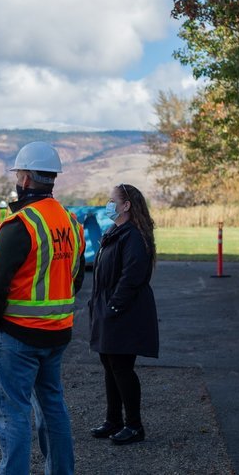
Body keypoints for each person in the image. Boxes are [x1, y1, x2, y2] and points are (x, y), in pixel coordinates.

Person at [0, 141, 86, 475]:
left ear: (24, 178)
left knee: (12, 416)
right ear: (52, 178)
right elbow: (76, 277)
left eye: (18, 174)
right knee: (53, 408)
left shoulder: (20, 224)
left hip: (15, 336)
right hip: (57, 333)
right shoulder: (70, 221)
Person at [88, 183, 158, 445]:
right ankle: (113, 420)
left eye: (112, 200)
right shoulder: (115, 232)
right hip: (108, 309)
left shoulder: (133, 236)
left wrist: (113, 307)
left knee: (122, 367)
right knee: (110, 365)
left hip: (124, 312)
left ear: (126, 205)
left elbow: (131, 277)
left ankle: (134, 426)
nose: (108, 205)